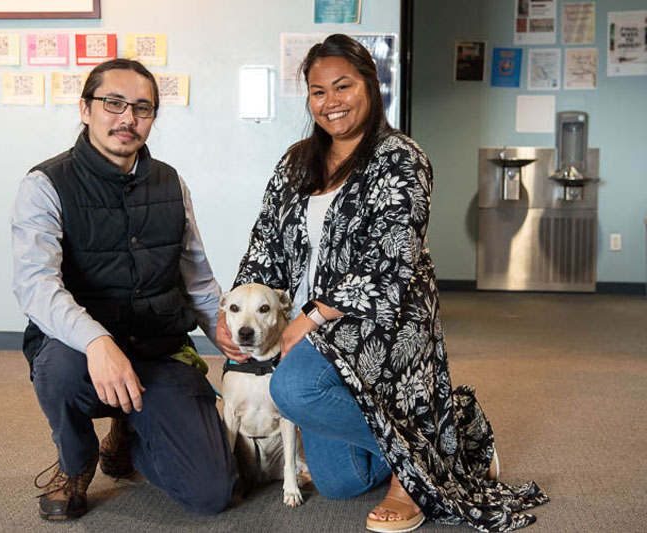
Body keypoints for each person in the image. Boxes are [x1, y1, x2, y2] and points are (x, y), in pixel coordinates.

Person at [217, 34, 548, 532]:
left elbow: (390, 261)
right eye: (318, 91)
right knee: (340, 482)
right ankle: (445, 431)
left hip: (379, 318)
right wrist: (237, 314)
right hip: (312, 321)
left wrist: (305, 320)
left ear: (370, 85)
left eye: (343, 86)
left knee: (294, 386)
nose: (331, 102)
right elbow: (264, 243)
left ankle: (418, 469)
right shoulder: (295, 161)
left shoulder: (400, 157)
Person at [11, 58, 238, 521]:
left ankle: (131, 432)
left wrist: (231, 337)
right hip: (80, 353)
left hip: (158, 351)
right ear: (85, 108)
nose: (127, 118)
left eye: (142, 108)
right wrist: (97, 341)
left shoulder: (171, 183)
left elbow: (197, 281)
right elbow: (36, 286)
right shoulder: (45, 185)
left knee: (211, 492)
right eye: (113, 103)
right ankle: (75, 462)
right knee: (59, 368)